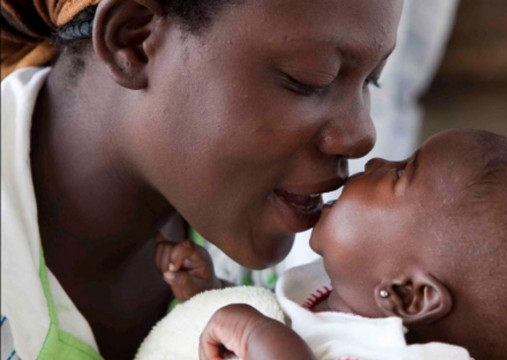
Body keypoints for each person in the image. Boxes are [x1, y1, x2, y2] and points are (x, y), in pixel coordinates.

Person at [0, 0, 403, 359]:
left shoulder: (325, 277)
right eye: (308, 79)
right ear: (135, 40)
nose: (362, 137)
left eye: (371, 81)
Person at [153, 129, 507, 360]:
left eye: (400, 174)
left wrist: (264, 340)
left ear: (407, 294)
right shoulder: (332, 292)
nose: (376, 160)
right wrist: (208, 298)